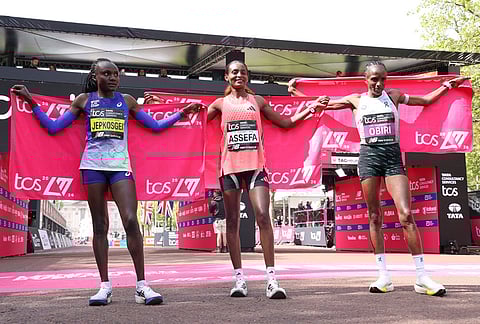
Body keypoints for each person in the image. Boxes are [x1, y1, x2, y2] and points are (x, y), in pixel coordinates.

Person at [12, 58, 202, 306]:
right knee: (99, 225)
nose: (113, 78)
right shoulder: (84, 100)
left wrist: (181, 112)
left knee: (131, 220)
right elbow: (54, 128)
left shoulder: (127, 101)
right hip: (92, 167)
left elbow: (154, 127)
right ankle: (104, 286)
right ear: (95, 76)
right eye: (107, 73)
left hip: (120, 167)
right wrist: (31, 101)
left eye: (116, 74)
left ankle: (142, 286)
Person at [289, 61, 469, 296]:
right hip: (368, 157)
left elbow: (425, 101)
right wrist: (297, 92)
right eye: (374, 79)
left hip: (393, 157)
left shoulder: (393, 96)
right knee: (374, 216)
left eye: (382, 79)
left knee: (406, 214)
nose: (379, 83)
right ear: (366, 79)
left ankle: (422, 276)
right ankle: (383, 276)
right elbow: (323, 105)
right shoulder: (355, 100)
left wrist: (447, 85)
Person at [207, 60, 328, 299]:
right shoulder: (219, 104)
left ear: (247, 76)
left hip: (255, 167)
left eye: (242, 72)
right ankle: (239, 279)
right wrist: (169, 108)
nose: (238, 75)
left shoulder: (258, 101)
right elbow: (194, 122)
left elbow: (285, 123)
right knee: (232, 222)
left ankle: (272, 279)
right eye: (234, 72)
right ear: (227, 77)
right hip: (229, 169)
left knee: (263, 215)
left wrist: (310, 108)